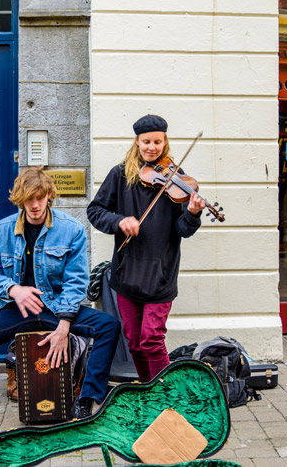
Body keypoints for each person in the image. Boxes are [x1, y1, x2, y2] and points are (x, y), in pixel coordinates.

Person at [0, 168, 121, 455]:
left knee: (108, 326)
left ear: (49, 197)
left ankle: (85, 403)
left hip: (57, 307)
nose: (34, 205)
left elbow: (76, 281)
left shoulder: (71, 229)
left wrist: (65, 325)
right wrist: (13, 289)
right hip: (17, 308)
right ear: (19, 199)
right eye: (29, 199)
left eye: (40, 198)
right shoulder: (0, 231)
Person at [87, 114, 204, 383]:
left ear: (165, 142)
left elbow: (183, 230)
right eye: (146, 142)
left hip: (160, 273)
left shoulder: (178, 181)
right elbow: (95, 211)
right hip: (127, 272)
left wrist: (194, 213)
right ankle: (147, 388)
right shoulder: (119, 175)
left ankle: (166, 393)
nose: (152, 147)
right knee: (134, 341)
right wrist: (119, 221)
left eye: (157, 142)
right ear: (137, 142)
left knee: (151, 339)